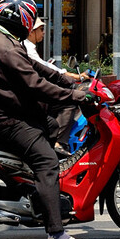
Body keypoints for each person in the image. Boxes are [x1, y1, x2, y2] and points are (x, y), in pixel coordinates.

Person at [0, 0, 92, 239]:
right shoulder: (6, 47)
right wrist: (74, 95)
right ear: (22, 20)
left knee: (52, 127)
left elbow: (35, 66)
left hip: (9, 114)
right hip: (9, 120)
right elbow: (35, 84)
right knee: (47, 161)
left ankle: (30, 191)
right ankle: (56, 234)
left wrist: (69, 80)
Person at [24, 17, 88, 146]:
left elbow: (46, 67)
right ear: (31, 32)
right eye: (41, 29)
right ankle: (58, 143)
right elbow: (45, 68)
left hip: (33, 91)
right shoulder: (27, 48)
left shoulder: (25, 47)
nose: (43, 33)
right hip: (32, 94)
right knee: (69, 102)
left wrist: (68, 75)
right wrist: (71, 76)